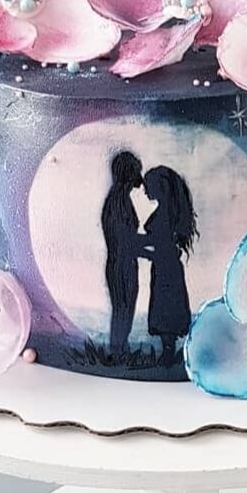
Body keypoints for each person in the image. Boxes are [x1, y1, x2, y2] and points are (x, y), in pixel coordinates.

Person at [140, 166, 198, 367]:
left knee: (166, 309)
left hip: (166, 268)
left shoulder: (165, 214)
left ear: (160, 187)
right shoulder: (168, 212)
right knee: (165, 308)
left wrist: (132, 245)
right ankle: (168, 353)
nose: (144, 190)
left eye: (148, 186)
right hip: (166, 267)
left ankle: (167, 355)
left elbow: (159, 244)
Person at [101, 151, 144, 355]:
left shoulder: (119, 198)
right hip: (122, 264)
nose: (140, 177)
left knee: (123, 310)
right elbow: (125, 239)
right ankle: (117, 351)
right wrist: (159, 248)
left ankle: (119, 349)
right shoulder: (118, 201)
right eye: (136, 171)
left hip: (121, 262)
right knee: (123, 310)